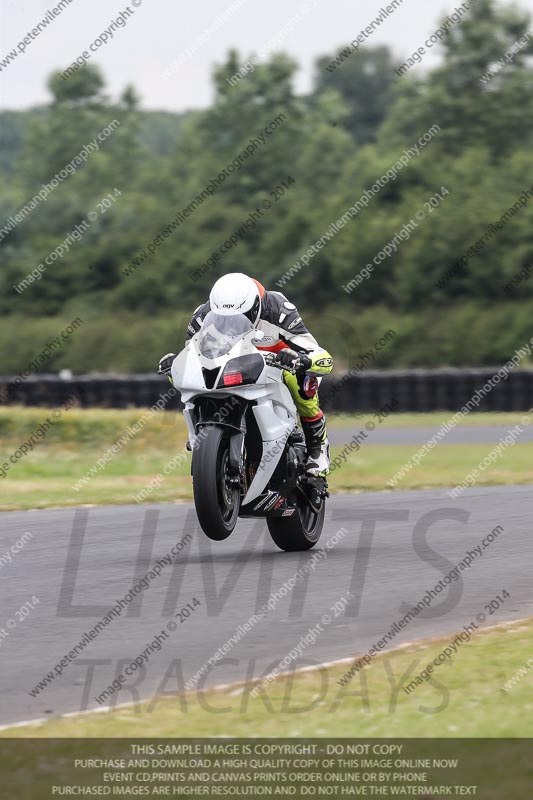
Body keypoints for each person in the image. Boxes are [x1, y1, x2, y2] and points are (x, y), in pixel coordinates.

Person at [158, 273, 333, 476]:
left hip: (277, 362)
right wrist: (174, 365)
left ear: (256, 307)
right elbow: (192, 358)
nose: (231, 323)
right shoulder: (202, 315)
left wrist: (302, 360)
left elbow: (317, 353)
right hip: (232, 366)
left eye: (241, 316)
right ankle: (201, 438)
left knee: (299, 379)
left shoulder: (279, 309)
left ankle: (317, 446)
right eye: (224, 319)